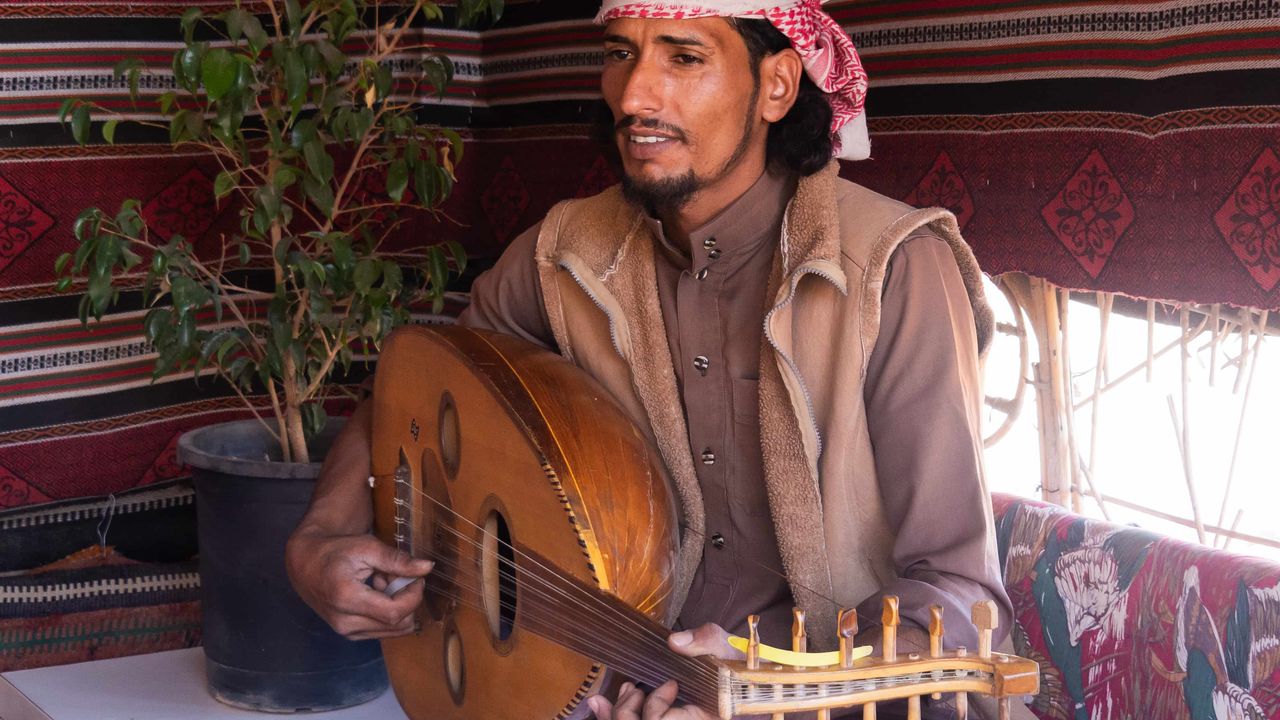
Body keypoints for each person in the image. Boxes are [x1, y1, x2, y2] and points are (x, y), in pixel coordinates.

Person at [286, 1, 1011, 718]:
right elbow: (413, 392)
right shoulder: (565, 253)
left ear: (777, 86)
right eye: (619, 53)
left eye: (684, 57)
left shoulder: (895, 269)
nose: (633, 96)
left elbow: (958, 599)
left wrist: (764, 690)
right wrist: (319, 538)